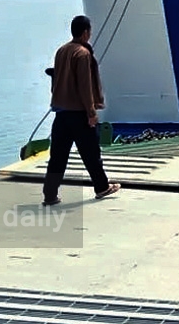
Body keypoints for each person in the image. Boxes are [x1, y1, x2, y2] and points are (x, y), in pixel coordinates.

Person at [41, 15, 121, 206]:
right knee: (91, 154)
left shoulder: (62, 51)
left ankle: (50, 195)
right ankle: (102, 187)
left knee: (58, 157)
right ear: (86, 32)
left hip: (61, 114)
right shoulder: (83, 54)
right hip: (78, 113)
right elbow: (85, 86)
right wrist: (91, 113)